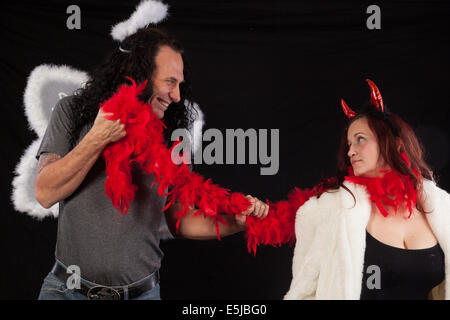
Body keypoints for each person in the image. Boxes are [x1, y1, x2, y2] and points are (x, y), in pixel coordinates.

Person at [35, 27, 268, 300]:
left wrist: (236, 222)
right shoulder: (73, 112)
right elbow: (45, 193)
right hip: (66, 292)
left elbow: (181, 222)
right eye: (170, 82)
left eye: (180, 84)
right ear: (139, 75)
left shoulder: (173, 138)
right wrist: (98, 138)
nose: (178, 95)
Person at [245, 79, 450, 299]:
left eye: (360, 139)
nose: (351, 151)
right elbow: (304, 286)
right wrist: (258, 211)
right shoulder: (334, 207)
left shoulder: (440, 208)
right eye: (349, 144)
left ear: (395, 144)